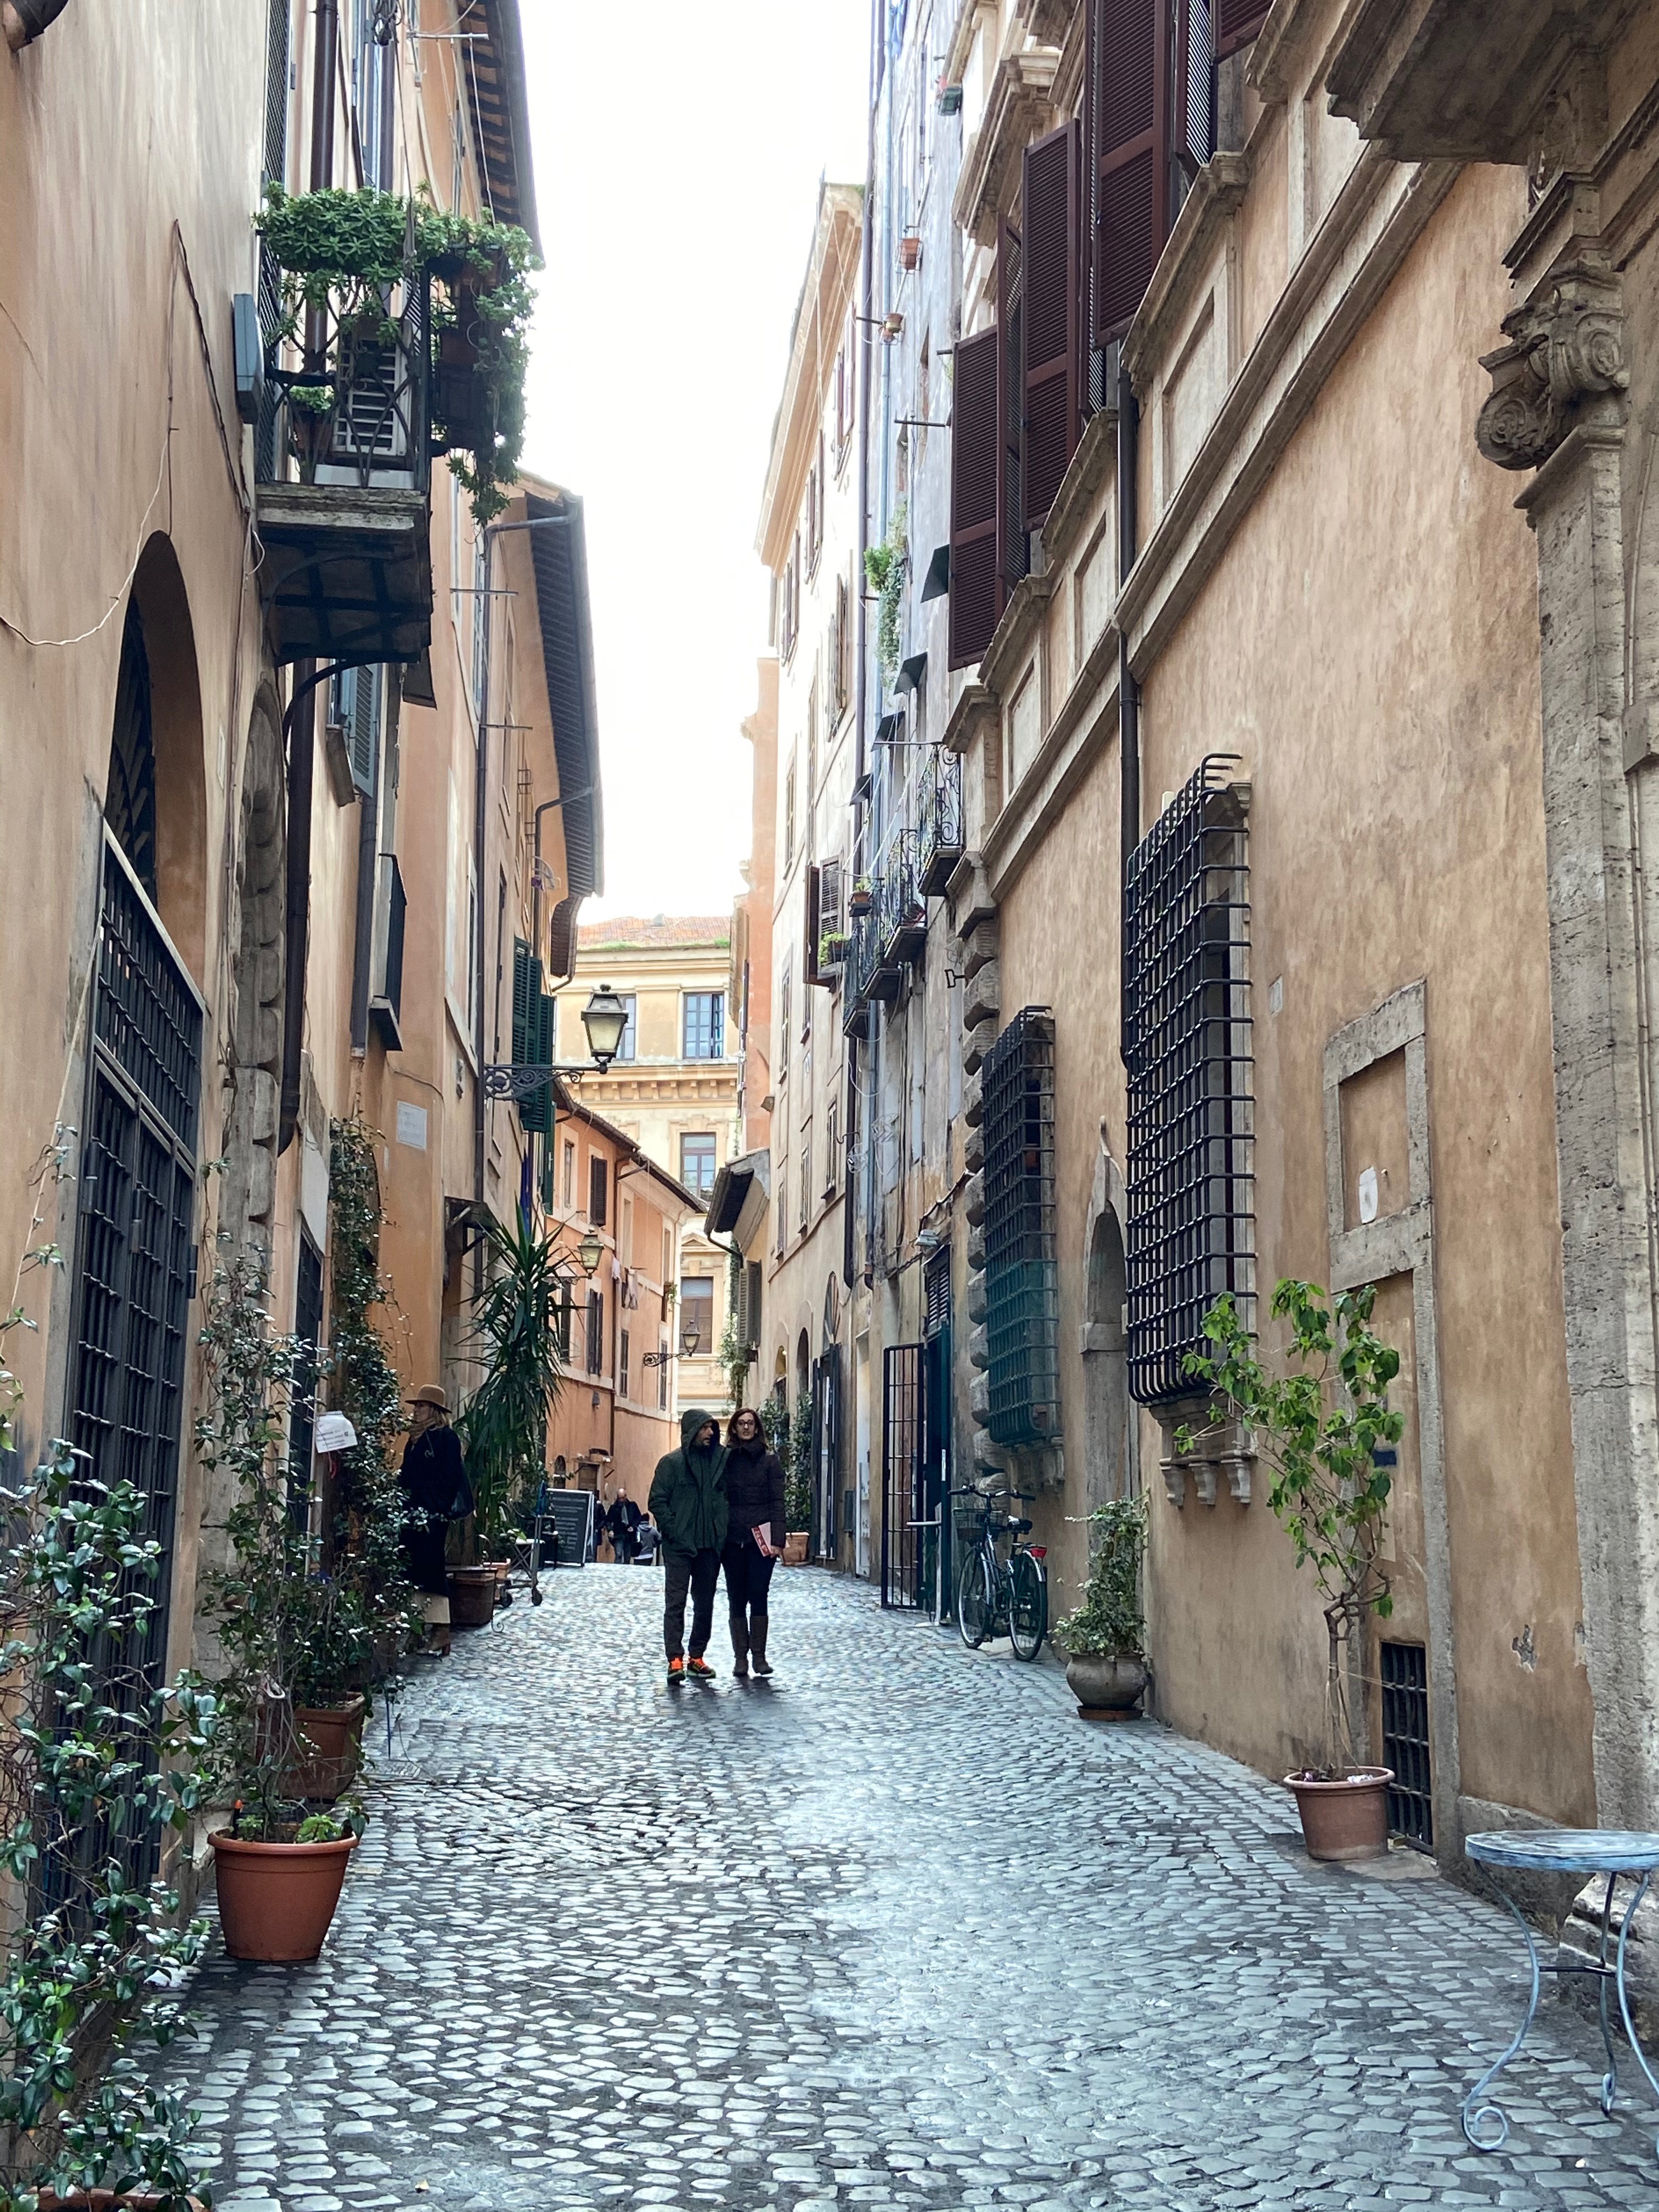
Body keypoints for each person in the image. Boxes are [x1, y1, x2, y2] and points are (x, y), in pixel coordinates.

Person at [648, 1409, 728, 1684]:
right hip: (679, 1547)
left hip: (709, 1546)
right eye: (704, 1428)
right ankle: (675, 1659)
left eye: (712, 1428)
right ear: (691, 1431)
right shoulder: (671, 1464)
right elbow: (657, 1501)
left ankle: (697, 1657)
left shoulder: (720, 1462)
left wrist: (721, 1531)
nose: (709, 1433)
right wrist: (675, 1532)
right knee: (676, 1603)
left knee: (705, 1604)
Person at [398, 1384, 471, 1656]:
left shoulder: (446, 1438)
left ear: (434, 1411)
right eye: (416, 1406)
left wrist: (436, 1507)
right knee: (411, 1570)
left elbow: (451, 1477)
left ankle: (441, 1629)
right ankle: (417, 1628)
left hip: (433, 1515)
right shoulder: (415, 1439)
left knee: (431, 1568)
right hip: (411, 1514)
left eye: (421, 1406)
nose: (416, 1411)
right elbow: (407, 1475)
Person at [721, 1407, 787, 1679]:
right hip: (732, 1539)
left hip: (761, 1539)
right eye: (741, 1423)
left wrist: (778, 1540)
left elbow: (777, 1501)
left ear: (757, 1428)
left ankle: (759, 1656)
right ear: (734, 1428)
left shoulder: (770, 1462)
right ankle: (740, 1658)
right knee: (736, 1596)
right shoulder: (725, 1460)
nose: (746, 1428)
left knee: (759, 1593)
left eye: (750, 1423)